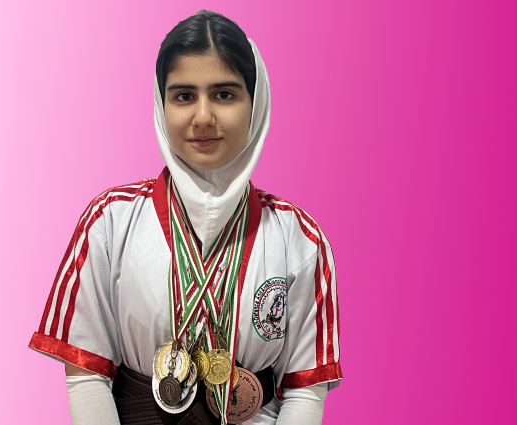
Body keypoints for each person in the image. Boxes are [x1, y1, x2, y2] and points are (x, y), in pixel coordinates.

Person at [28, 10, 342, 425]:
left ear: (256, 103)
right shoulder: (109, 221)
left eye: (224, 94)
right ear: (161, 104)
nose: (203, 117)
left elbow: (304, 392)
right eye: (183, 96)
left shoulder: (300, 239)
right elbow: (86, 376)